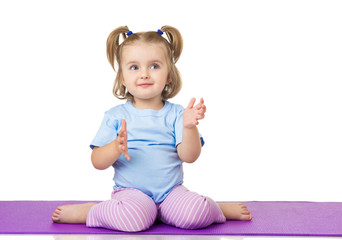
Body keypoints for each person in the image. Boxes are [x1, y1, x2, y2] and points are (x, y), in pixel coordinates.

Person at [52, 25, 252, 232]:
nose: (145, 74)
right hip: (131, 195)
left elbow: (189, 156)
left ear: (169, 75)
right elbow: (97, 162)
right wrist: (115, 147)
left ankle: (216, 209)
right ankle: (93, 212)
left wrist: (189, 126)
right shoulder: (115, 116)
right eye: (134, 67)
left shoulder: (177, 114)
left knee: (196, 213)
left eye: (154, 66)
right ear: (122, 77)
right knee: (133, 220)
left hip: (171, 194)